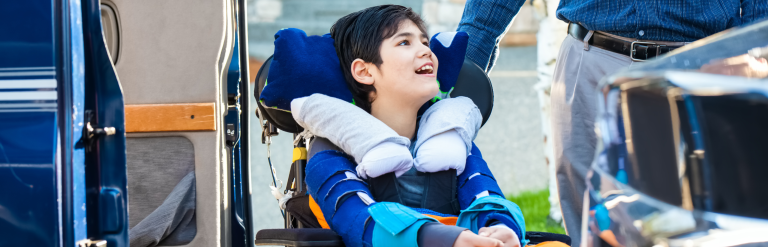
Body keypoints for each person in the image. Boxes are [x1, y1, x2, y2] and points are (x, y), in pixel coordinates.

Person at [455, 0, 768, 245]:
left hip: (696, 71)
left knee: (693, 227)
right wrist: (459, 81)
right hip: (590, 58)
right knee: (585, 225)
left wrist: (749, 57)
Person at [291, 5, 537, 247]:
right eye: (404, 43)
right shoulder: (329, 152)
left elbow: (487, 198)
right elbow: (357, 220)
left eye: (425, 42)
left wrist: (502, 228)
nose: (425, 51)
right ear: (365, 71)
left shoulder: (451, 136)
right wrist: (445, 238)